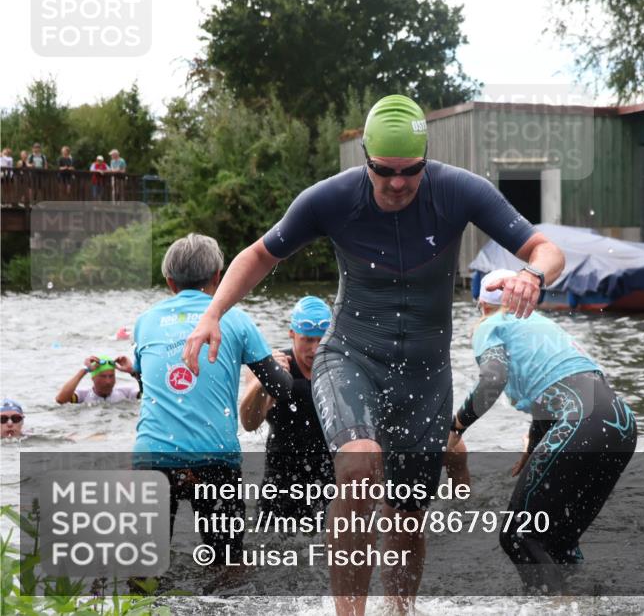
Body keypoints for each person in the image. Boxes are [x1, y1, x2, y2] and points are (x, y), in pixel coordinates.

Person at [183, 94, 565, 614]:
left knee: (408, 516)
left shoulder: (461, 191)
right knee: (359, 466)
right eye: (384, 170)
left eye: (411, 171)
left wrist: (533, 274)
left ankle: (399, 611)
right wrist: (213, 314)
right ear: (366, 157)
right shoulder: (331, 199)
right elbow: (259, 254)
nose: (398, 183)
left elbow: (547, 250)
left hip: (425, 377)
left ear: (425, 159)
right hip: (351, 357)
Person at [450, 269, 638, 594]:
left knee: (518, 535)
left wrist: (456, 426)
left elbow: (493, 379)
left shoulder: (492, 324)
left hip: (581, 424)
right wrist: (536, 445)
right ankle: (585, 603)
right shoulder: (542, 325)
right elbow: (559, 390)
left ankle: (556, 609)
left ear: (482, 304)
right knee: (558, 542)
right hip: (621, 425)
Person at [132, 233, 293, 571]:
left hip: (152, 457)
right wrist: (280, 366)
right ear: (218, 277)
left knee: (144, 570)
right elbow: (280, 387)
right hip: (215, 458)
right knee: (228, 565)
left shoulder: (145, 322)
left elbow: (146, 382)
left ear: (170, 281)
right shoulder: (235, 318)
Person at [240, 295, 337, 521]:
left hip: (329, 481)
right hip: (280, 482)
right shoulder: (269, 366)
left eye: (322, 340)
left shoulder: (340, 369)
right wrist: (265, 378)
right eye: (307, 340)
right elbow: (249, 423)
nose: (315, 349)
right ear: (292, 333)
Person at [56, 355, 141, 404]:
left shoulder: (126, 393)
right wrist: (84, 370)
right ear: (93, 378)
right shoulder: (83, 395)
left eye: (111, 376)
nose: (108, 382)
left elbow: (147, 395)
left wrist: (133, 372)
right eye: (103, 376)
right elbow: (60, 400)